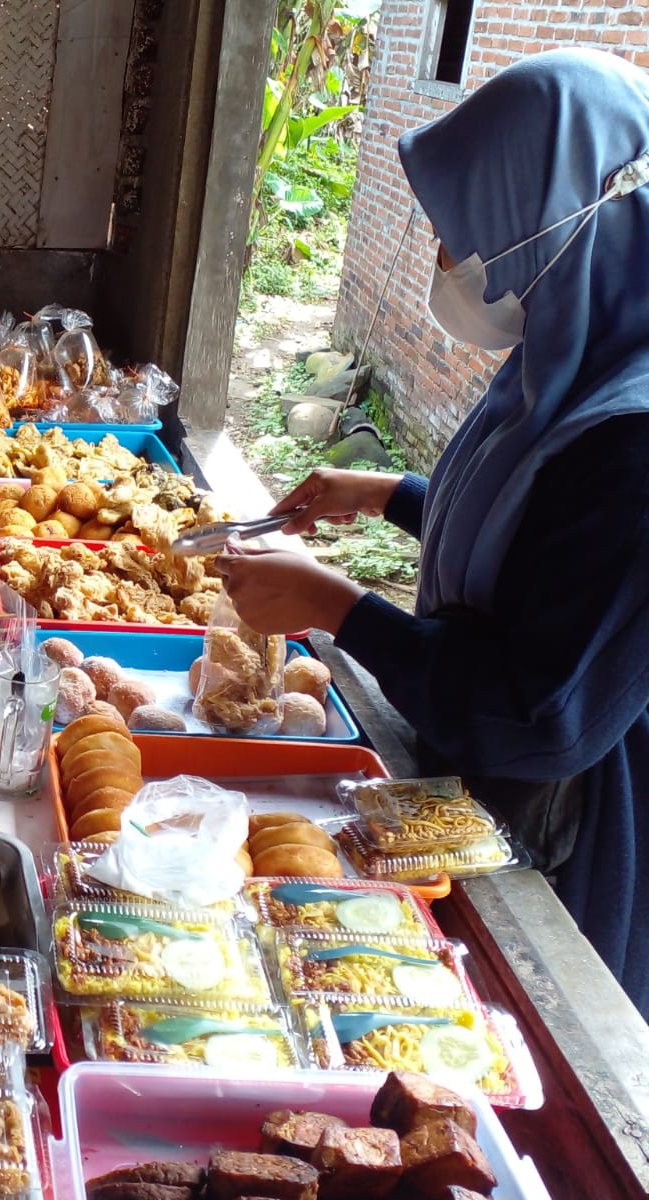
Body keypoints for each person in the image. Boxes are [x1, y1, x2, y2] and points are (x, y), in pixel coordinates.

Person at [217, 48, 649, 1015]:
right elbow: (537, 534)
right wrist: (391, 494)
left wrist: (338, 607)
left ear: (552, 229)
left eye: (463, 239)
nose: (445, 266)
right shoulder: (569, 347)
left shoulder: (635, 438)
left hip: (561, 830)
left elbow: (545, 714)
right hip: (475, 779)